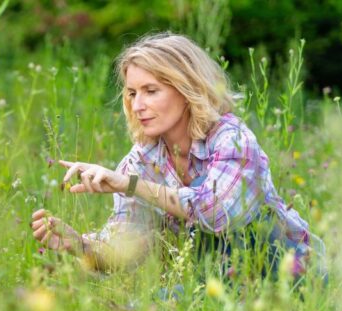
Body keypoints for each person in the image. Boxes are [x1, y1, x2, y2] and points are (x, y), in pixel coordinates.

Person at [30, 32, 325, 277]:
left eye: (151, 90)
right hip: (220, 287)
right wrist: (79, 244)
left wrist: (129, 185)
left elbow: (217, 213)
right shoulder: (141, 161)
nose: (138, 105)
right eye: (132, 93)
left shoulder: (232, 139)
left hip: (292, 276)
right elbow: (125, 251)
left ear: (187, 89)